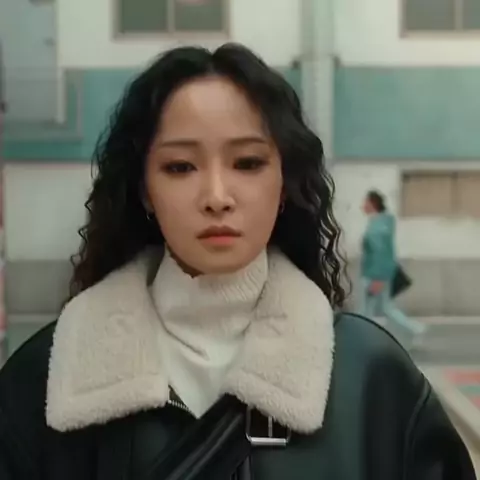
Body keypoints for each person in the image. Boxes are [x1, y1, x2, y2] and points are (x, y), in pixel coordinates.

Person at [0, 44, 475, 480]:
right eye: (180, 167)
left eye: (247, 163)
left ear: (285, 183)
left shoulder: (372, 377)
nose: (216, 196)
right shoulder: (46, 380)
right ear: (144, 190)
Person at [360, 190, 427, 348]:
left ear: (373, 204)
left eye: (366, 202)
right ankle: (415, 329)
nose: (362, 206)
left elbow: (380, 253)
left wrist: (378, 278)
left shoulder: (377, 226)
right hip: (377, 273)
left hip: (375, 274)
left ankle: (365, 340)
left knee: (368, 310)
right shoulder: (382, 222)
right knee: (381, 308)